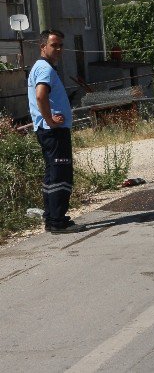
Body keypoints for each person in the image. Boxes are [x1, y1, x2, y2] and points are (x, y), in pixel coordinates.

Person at [27, 30, 84, 233]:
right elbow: (40, 96)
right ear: (43, 46)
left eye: (61, 45)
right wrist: (50, 120)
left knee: (53, 173)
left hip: (49, 131)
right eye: (54, 45)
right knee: (60, 174)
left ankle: (52, 219)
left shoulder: (42, 67)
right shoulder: (45, 69)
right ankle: (58, 222)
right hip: (53, 131)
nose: (58, 49)